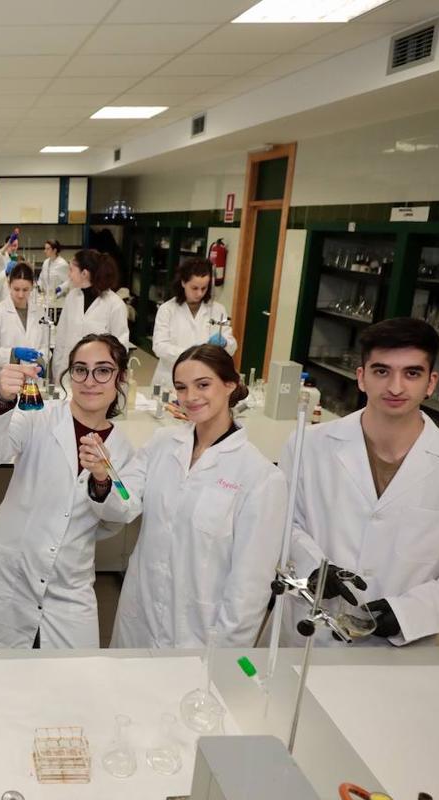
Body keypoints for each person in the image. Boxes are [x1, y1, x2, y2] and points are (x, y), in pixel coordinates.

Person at [280, 317, 439, 647]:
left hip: (396, 646)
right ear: (361, 377)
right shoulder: (306, 444)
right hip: (309, 631)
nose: (396, 387)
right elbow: (282, 523)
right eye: (381, 371)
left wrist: (408, 613)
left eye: (411, 373)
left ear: (431, 383)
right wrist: (312, 567)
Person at [105, 345, 287, 648]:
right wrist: (105, 477)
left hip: (198, 633)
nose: (190, 397)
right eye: (181, 387)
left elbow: (250, 588)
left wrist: (224, 652)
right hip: (140, 614)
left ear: (231, 384)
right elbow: (125, 501)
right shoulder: (163, 444)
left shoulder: (260, 477)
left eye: (203, 385)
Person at [0, 334, 138, 648]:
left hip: (69, 587)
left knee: (69, 683)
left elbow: (125, 509)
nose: (90, 381)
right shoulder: (37, 417)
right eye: (80, 369)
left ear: (121, 378)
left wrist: (102, 478)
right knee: (6, 678)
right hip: (13, 576)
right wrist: (3, 399)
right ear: (68, 375)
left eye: (103, 370)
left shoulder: (124, 449)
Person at [151, 258, 237, 391]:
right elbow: (159, 346)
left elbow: (232, 346)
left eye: (204, 288)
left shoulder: (217, 309)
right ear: (183, 282)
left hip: (206, 377)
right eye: (194, 288)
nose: (199, 293)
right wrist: (193, 356)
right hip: (171, 379)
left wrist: (225, 343)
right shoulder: (167, 309)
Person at [53, 249, 130, 382]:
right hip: (67, 372)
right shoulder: (72, 297)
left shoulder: (114, 304)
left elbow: (120, 347)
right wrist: (57, 371)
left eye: (71, 270)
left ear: (84, 273)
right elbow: (61, 337)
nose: (69, 275)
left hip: (97, 377)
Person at [0, 262, 47, 391]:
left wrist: (42, 362)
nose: (21, 295)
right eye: (16, 289)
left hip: (32, 382)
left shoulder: (39, 313)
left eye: (25, 290)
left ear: (32, 286)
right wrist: (12, 354)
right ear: (9, 285)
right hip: (4, 383)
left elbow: (45, 345)